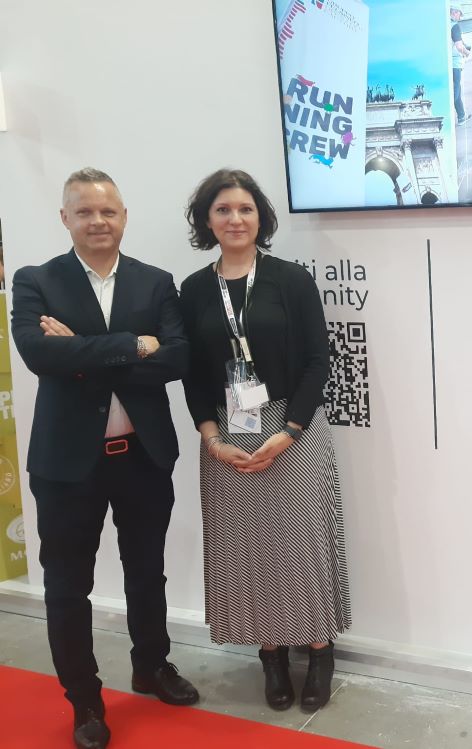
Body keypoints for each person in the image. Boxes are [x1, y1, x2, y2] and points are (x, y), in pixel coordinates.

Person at [11, 168, 196, 749]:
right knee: (68, 586)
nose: (98, 221)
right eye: (85, 212)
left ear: (124, 216)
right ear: (65, 218)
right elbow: (40, 355)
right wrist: (132, 345)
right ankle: (85, 699)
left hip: (142, 455)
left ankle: (152, 665)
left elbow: (177, 359)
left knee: (147, 572)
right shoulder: (35, 280)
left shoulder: (155, 282)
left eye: (108, 211)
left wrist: (80, 352)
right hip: (67, 464)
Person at [179, 169, 351, 713]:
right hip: (227, 431)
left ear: (261, 218)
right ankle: (270, 654)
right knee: (247, 549)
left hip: (293, 428)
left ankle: (319, 651)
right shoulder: (194, 290)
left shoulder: (291, 280)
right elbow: (192, 374)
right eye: (223, 209)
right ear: (207, 220)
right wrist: (211, 438)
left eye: (245, 209)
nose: (235, 219)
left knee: (303, 547)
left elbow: (318, 361)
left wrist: (290, 430)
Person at [451, 5, 472, 125]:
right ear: (455, 12)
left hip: (447, 62)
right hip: (454, 63)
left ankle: (461, 116)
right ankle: (450, 116)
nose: (460, 18)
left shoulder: (444, 25)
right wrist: (467, 52)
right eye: (460, 14)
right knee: (455, 90)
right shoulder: (455, 26)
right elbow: (459, 46)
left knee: (457, 89)